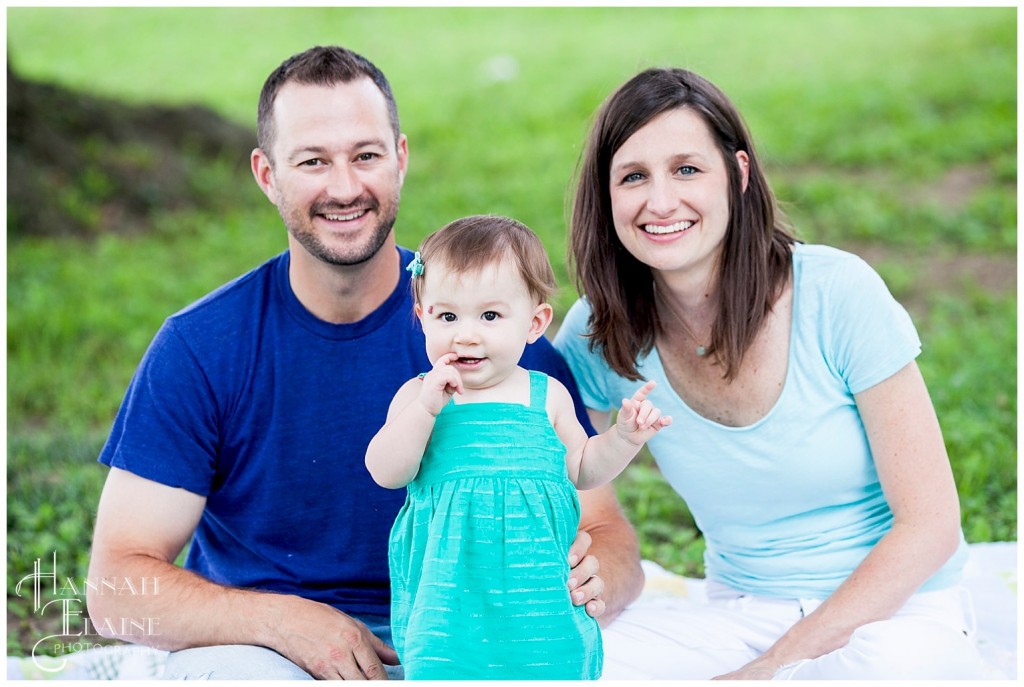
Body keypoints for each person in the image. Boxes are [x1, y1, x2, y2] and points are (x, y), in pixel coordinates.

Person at [85, 45, 644, 681]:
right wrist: (283, 622)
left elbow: (606, 531)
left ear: (400, 161)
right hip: (264, 650)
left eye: (366, 156)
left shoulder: (496, 339)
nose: (345, 187)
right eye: (313, 161)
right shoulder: (203, 346)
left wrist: (597, 575)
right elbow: (115, 588)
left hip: (475, 637)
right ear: (268, 175)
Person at [553, 67, 988, 680]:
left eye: (686, 169)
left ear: (738, 174)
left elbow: (932, 526)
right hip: (741, 615)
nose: (659, 201)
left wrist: (775, 666)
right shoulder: (599, 330)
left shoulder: (837, 292)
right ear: (608, 198)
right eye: (633, 177)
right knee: (569, 665)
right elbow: (584, 510)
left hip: (896, 614)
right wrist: (593, 594)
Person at [365, 216, 670, 679]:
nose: (466, 334)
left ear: (534, 323)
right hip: (449, 589)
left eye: (490, 316)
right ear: (422, 317)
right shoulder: (419, 396)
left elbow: (583, 468)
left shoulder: (546, 396)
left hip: (537, 585)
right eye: (448, 316)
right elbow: (386, 471)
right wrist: (426, 409)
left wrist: (623, 438)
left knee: (550, 662)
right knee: (446, 666)